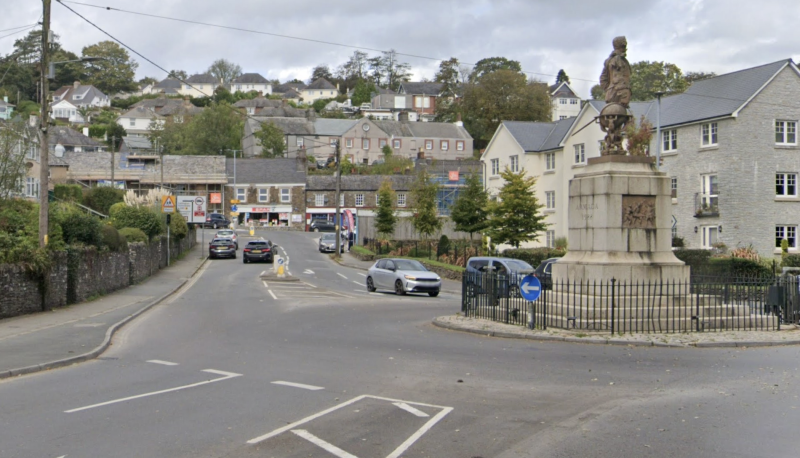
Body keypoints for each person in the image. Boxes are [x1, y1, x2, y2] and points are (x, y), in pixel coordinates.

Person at [599, 36, 632, 108]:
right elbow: (618, 79)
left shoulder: (610, 60)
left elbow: (603, 79)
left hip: (613, 94)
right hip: (619, 95)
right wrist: (613, 90)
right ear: (622, 45)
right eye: (624, 43)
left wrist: (608, 90)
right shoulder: (617, 60)